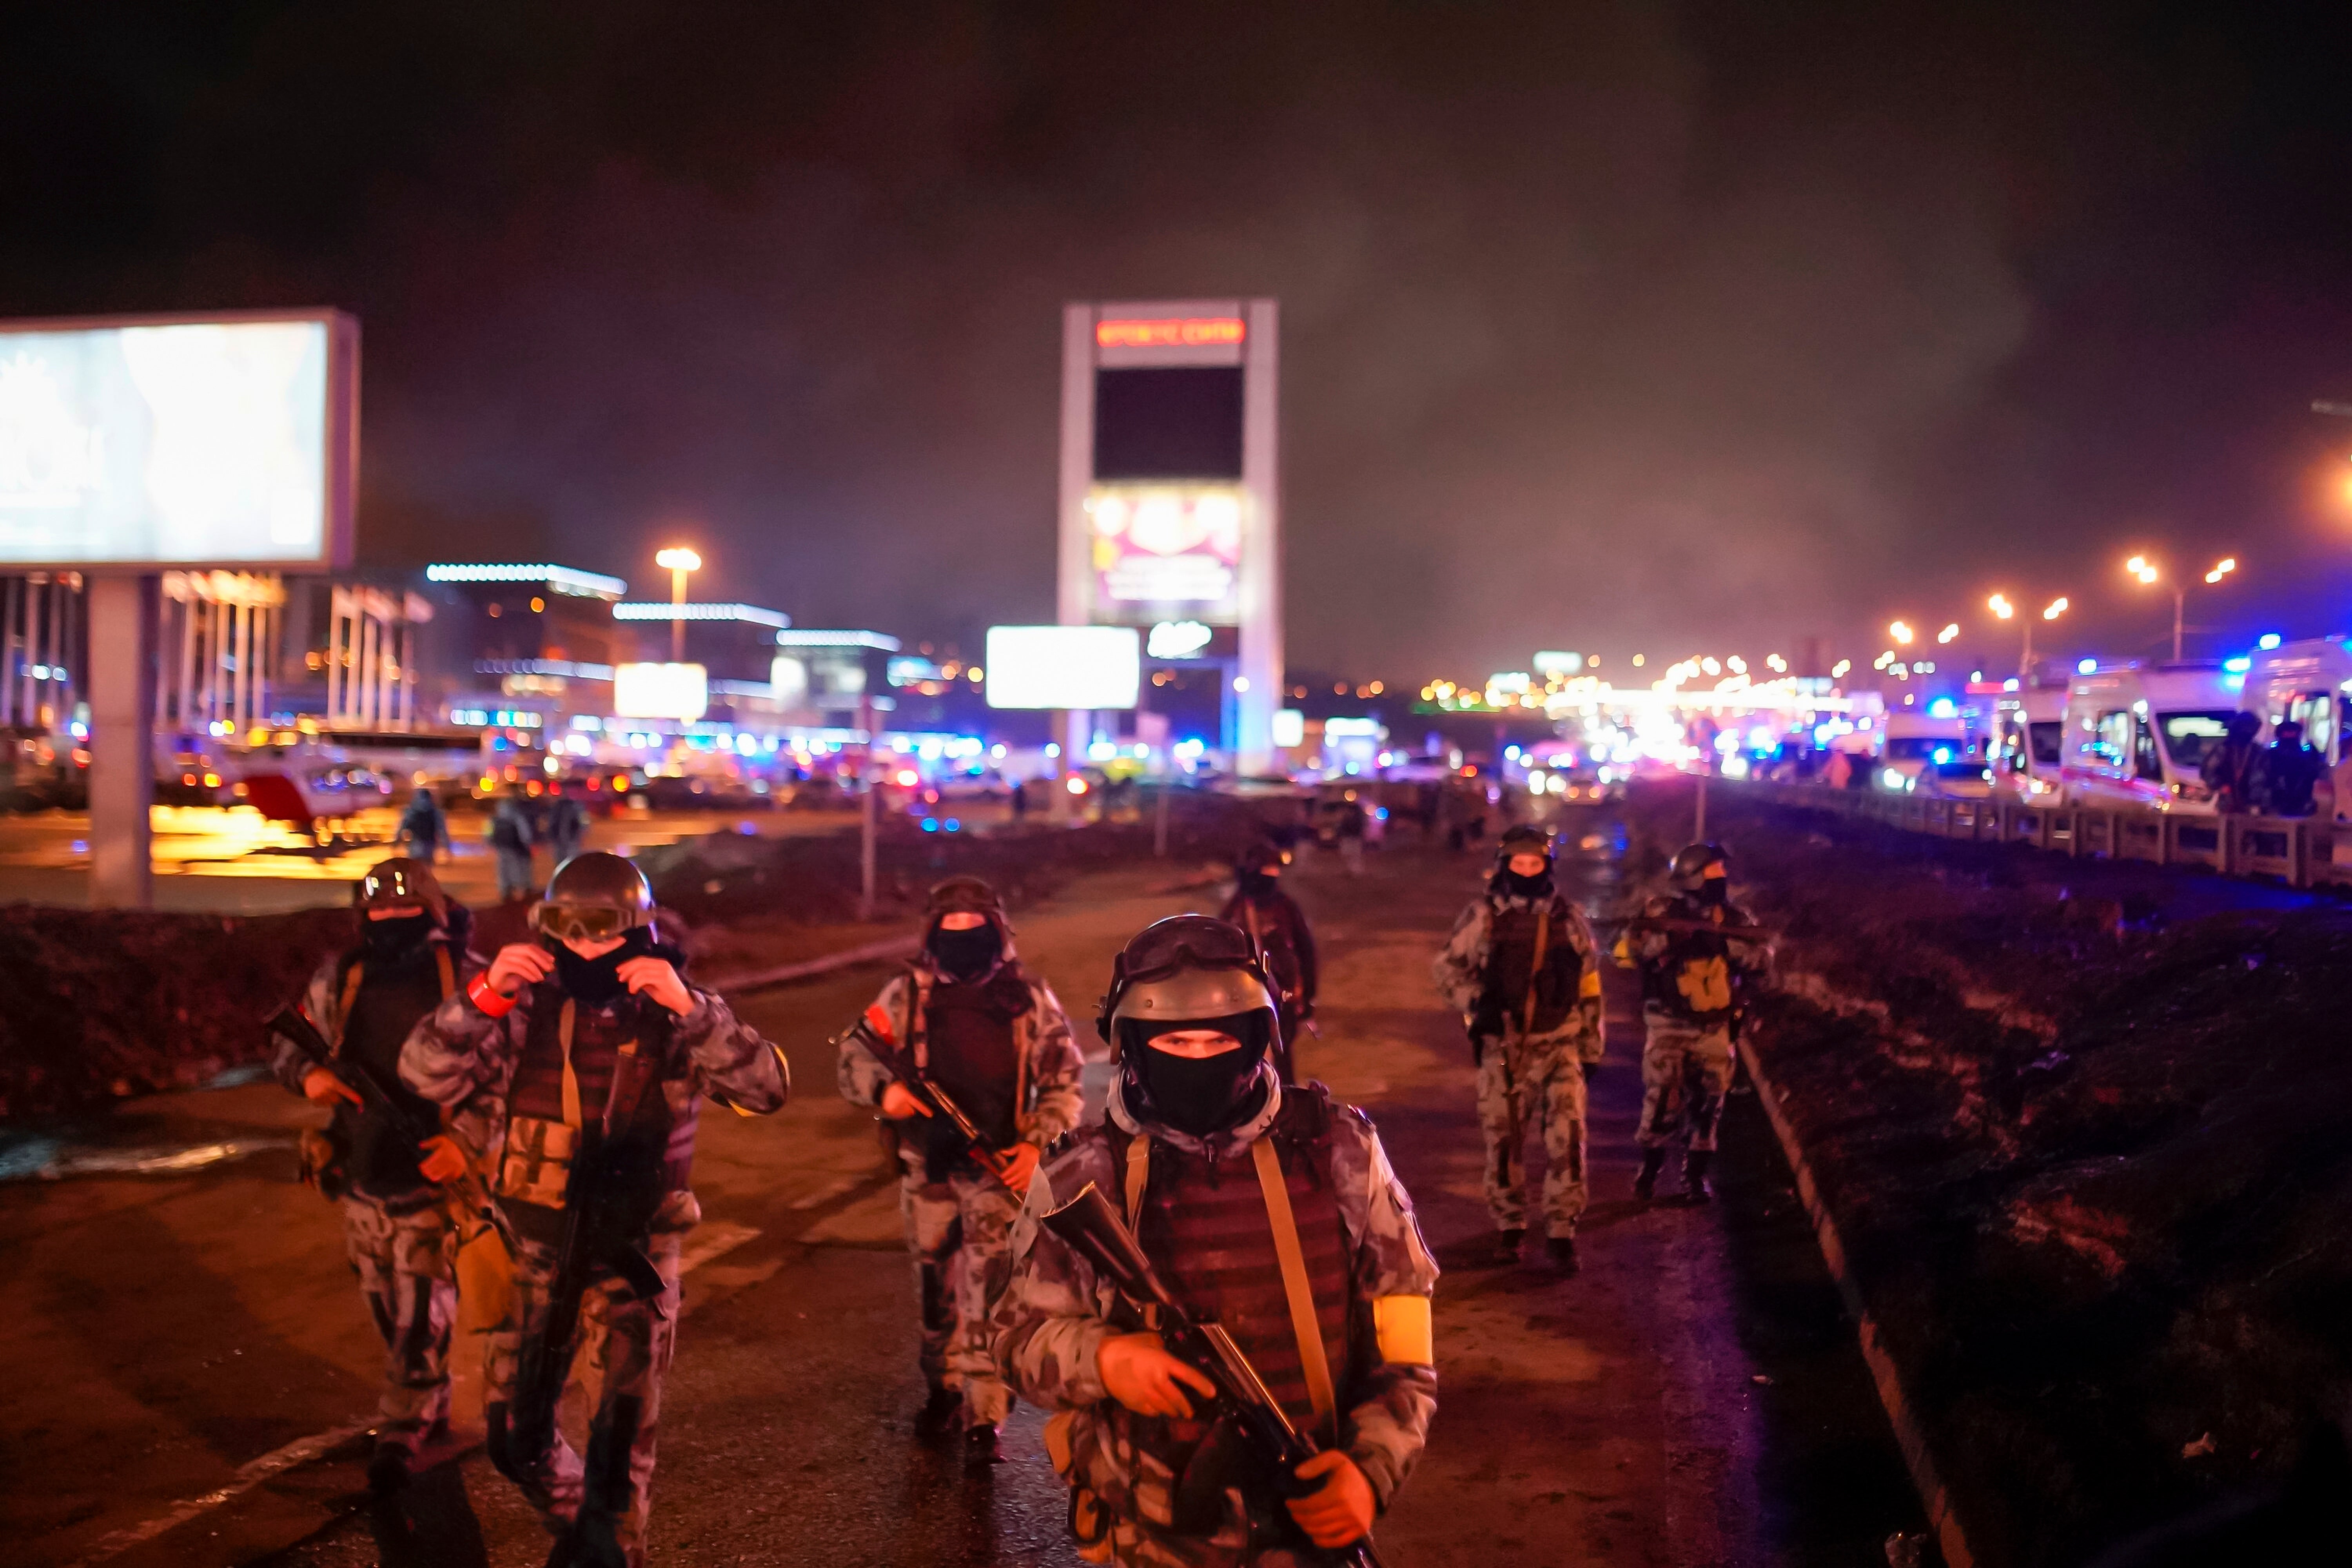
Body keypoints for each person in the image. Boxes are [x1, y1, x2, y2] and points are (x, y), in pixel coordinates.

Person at [995, 915, 1438, 1567]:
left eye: (1218, 1040)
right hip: (1149, 1536)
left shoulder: (1340, 1149)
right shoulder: (1080, 1174)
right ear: (1134, 1046)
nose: (1199, 1060)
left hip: (1309, 1517)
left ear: (1258, 1038)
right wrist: (1108, 1361)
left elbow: (1404, 1337)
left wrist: (1370, 1471)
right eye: (1176, 1041)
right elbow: (1015, 1338)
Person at [402, 852, 789, 1567]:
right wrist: (484, 994)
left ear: (636, 930)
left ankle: (610, 1549)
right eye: (566, 929)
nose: (583, 946)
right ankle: (592, 1538)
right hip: (531, 1252)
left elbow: (765, 1088)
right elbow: (423, 1069)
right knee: (515, 1437)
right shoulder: (524, 1011)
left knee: (618, 1450)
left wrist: (690, 1008)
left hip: (631, 1255)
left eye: (602, 931)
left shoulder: (676, 1016)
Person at [836, 875, 1083, 1466]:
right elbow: (853, 1060)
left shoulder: (1027, 999)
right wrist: (885, 1091)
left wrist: (1035, 1148)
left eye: (977, 932)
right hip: (931, 1170)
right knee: (936, 1295)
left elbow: (1064, 1081)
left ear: (999, 934)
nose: (965, 944)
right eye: (952, 933)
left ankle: (985, 1415)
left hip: (999, 1171)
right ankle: (941, 1390)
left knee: (991, 1295)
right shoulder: (907, 996)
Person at [270, 857, 482, 1489]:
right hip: (360, 1170)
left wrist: (465, 1145)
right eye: (378, 914)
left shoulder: (467, 979)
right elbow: (291, 1043)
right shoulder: (344, 978)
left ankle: (404, 1424)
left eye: (405, 912)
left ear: (435, 913)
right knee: (383, 1303)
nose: (391, 923)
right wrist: (309, 1076)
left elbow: (504, 1073)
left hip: (429, 1173)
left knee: (422, 1309)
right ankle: (423, 1399)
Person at [1431, 823, 1602, 1269]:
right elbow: (1448, 969)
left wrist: (1592, 1045)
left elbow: (1589, 984)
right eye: (1519, 864)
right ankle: (1510, 1226)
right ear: (1505, 867)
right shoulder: (1483, 915)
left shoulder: (1569, 917)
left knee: (1567, 1139)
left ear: (1548, 865)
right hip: (1505, 1050)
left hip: (1560, 1045)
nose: (1527, 871)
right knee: (1504, 1142)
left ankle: (1562, 1229)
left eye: (1535, 863)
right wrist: (1477, 1003)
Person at [1614, 842, 1770, 1204]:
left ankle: (1695, 1177)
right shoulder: (1661, 911)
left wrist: (1728, 947)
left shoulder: (1734, 918)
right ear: (1692, 876)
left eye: (1721, 871)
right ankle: (1649, 1170)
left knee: (1710, 1104)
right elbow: (1626, 952)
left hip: (1715, 1026)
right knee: (1660, 1103)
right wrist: (1669, 938)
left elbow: (1763, 962)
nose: (1722, 877)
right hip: (1669, 1024)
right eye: (1713, 871)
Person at [1219, 841, 1319, 1083]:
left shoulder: (1285, 907)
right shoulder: (1236, 909)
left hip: (1282, 997)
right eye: (1268, 869)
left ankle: (1285, 1109)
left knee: (1282, 1062)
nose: (1272, 876)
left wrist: (1308, 998)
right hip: (1241, 999)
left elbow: (1307, 952)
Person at [2202, 712, 2267, 814]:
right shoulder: (2223, 749)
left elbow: (2264, 778)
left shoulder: (2258, 751)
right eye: (2244, 727)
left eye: (2250, 728)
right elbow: (2208, 772)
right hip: (2227, 804)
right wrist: (2220, 786)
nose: (2247, 731)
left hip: (2251, 806)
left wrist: (2257, 799)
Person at [2263, 719, 2324, 818]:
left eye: (2292, 733)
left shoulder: (2307, 757)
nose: (2289, 736)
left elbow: (2314, 778)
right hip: (2276, 803)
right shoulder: (2271, 756)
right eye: (2286, 733)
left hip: (2299, 803)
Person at [489, 785, 536, 902]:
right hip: (514, 847)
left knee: (502, 868)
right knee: (516, 867)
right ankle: (520, 887)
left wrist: (491, 843)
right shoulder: (517, 816)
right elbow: (524, 832)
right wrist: (527, 843)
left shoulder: (496, 818)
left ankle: (505, 888)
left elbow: (488, 832)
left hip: (501, 847)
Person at [399, 786, 449, 863]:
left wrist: (397, 842)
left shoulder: (412, 812)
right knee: (425, 867)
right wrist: (446, 846)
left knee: (416, 866)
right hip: (427, 845)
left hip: (418, 844)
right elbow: (442, 830)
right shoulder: (435, 812)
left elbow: (403, 827)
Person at [545, 782, 588, 867]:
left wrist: (582, 833)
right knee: (560, 864)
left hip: (572, 841)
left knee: (571, 863)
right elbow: (552, 822)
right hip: (559, 841)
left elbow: (584, 822)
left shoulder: (578, 807)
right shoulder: (557, 806)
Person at [1335, 795, 1368, 877]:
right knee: (1347, 853)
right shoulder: (1344, 810)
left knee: (1355, 854)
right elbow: (1341, 823)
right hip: (1347, 835)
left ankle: (1355, 871)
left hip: (1355, 835)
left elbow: (1362, 822)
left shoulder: (1359, 810)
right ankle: (1350, 870)